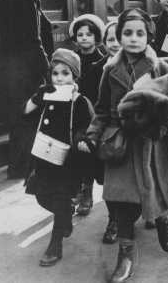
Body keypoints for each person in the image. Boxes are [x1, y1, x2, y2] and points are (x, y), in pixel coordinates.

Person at [86, 8, 168, 283]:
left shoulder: (159, 67)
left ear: (149, 37)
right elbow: (102, 109)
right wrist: (92, 134)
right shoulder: (109, 70)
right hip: (123, 144)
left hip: (154, 142)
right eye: (127, 33)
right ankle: (125, 255)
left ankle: (162, 220)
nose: (133, 39)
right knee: (122, 201)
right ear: (118, 36)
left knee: (154, 192)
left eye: (140, 33)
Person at [23, 49, 91, 266]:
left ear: (74, 77)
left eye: (65, 74)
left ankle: (55, 243)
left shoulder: (79, 101)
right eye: (55, 73)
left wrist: (82, 140)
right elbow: (25, 112)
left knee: (61, 197)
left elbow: (88, 126)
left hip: (68, 162)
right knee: (42, 196)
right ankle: (65, 216)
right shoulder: (47, 95)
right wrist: (38, 95)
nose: (59, 78)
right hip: (44, 158)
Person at [0, 0, 54, 179]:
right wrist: (47, 69)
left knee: (17, 119)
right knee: (30, 118)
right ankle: (23, 169)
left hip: (8, 70)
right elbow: (33, 39)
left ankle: (17, 166)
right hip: (26, 71)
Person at [68, 14, 107, 216]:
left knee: (87, 151)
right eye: (80, 34)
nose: (84, 38)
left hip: (95, 115)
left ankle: (87, 192)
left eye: (89, 34)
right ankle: (74, 190)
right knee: (72, 153)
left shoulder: (102, 60)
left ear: (96, 37)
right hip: (74, 112)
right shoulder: (71, 59)